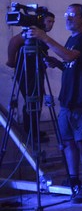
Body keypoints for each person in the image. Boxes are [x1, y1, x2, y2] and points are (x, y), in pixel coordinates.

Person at [31, 4, 82, 204]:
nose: (67, 18)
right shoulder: (71, 39)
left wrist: (45, 38)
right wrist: (58, 63)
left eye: (72, 15)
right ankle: (73, 179)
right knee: (68, 142)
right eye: (66, 14)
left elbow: (70, 56)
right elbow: (71, 63)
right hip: (67, 101)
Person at [7, 10, 55, 142]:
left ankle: (33, 131)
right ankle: (30, 135)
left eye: (53, 22)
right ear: (41, 20)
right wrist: (11, 61)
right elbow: (14, 42)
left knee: (36, 101)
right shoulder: (31, 32)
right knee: (32, 102)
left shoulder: (40, 34)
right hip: (26, 72)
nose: (51, 24)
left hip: (36, 71)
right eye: (49, 21)